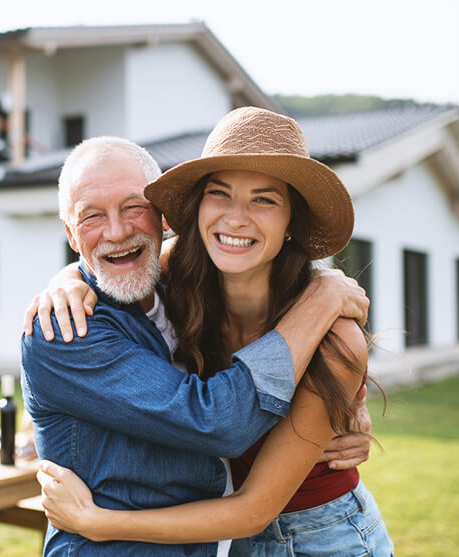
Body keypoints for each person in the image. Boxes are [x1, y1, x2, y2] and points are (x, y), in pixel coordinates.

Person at [34, 107, 395, 556]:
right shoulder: (183, 278)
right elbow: (117, 254)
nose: (236, 218)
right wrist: (63, 281)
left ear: (291, 224)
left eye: (264, 199)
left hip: (325, 536)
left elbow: (254, 508)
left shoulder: (334, 339)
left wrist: (99, 523)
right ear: (197, 209)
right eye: (220, 194)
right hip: (233, 541)